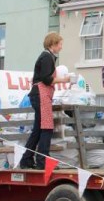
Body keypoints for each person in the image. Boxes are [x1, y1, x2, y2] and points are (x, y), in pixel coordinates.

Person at [19, 32, 70, 170]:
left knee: (37, 129)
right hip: (41, 94)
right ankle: (43, 162)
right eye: (60, 44)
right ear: (52, 44)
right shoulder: (47, 57)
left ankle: (26, 160)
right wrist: (64, 80)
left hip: (38, 94)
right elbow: (47, 79)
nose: (61, 47)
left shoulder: (46, 57)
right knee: (46, 127)